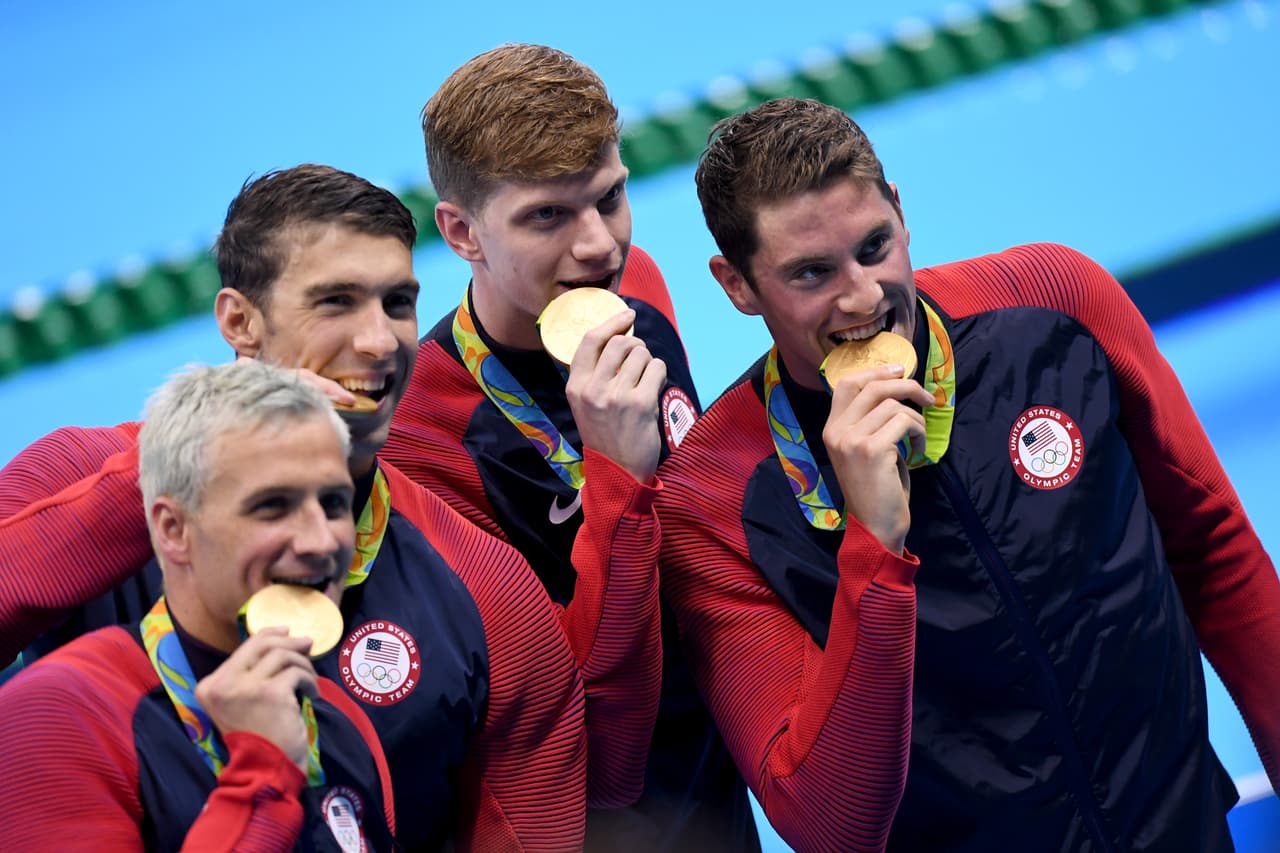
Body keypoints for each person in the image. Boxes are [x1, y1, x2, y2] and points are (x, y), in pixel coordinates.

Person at [657, 96, 1280, 851]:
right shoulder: (713, 497)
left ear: (900, 209)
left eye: (874, 246)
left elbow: (1214, 551)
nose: (863, 297)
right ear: (737, 285)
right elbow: (827, 821)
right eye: (811, 273)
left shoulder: (1054, 302)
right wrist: (874, 545)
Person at [0, 165, 592, 851]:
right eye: (336, 302)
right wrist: (193, 467)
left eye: (397, 303)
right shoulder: (78, 478)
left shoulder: (488, 591)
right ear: (240, 322)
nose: (379, 342)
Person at [380, 43, 760, 851]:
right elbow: (587, 740)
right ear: (461, 232)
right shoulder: (422, 441)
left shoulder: (638, 291)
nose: (599, 246)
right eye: (548, 216)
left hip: (717, 782)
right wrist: (615, 476)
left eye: (611, 197)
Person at [0, 360, 398, 851]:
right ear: (172, 529)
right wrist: (262, 776)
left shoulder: (339, 718)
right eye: (273, 506)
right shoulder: (57, 716)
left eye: (334, 504)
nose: (321, 541)